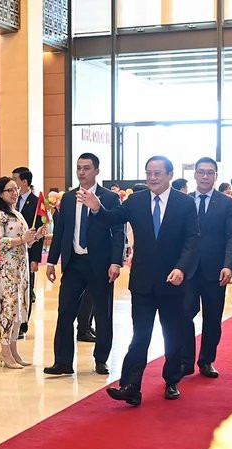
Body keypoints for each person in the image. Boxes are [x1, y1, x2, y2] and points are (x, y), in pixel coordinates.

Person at [80, 155, 199, 405]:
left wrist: (182, 269)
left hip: (173, 281)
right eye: (148, 173)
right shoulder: (136, 200)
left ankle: (172, 380)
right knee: (140, 335)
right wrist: (96, 207)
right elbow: (112, 218)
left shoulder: (185, 203)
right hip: (143, 282)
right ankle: (131, 385)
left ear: (169, 175)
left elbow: (192, 241)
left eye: (157, 173)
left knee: (172, 335)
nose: (152, 178)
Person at [44, 153, 125, 376]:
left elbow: (118, 232)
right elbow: (61, 232)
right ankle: (62, 362)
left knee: (102, 313)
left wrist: (115, 262)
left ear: (96, 171)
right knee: (65, 312)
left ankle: (101, 360)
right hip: (74, 264)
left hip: (100, 264)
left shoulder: (109, 198)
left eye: (87, 168)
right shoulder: (68, 199)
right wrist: (51, 261)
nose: (81, 172)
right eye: (79, 168)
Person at [180, 157, 232, 379]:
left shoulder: (225, 203)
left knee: (212, 318)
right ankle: (186, 361)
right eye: (201, 172)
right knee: (184, 315)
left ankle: (206, 360)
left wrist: (228, 265)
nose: (205, 176)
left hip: (216, 271)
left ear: (216, 176)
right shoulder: (183, 201)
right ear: (194, 174)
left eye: (210, 173)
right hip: (187, 270)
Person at [0, 176, 46, 368]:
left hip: (21, 267)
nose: (15, 193)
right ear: (0, 194)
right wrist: (22, 239)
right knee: (9, 308)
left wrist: (35, 236)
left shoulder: (17, 213)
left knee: (20, 308)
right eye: (10, 190)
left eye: (16, 189)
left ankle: (13, 350)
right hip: (6, 269)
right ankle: (5, 351)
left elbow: (26, 241)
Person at [11, 167, 44, 337]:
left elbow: (40, 230)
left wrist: (35, 259)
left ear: (24, 182)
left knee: (26, 289)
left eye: (15, 179)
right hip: (10, 254)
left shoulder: (36, 202)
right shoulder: (9, 201)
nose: (13, 183)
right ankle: (11, 322)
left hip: (28, 252)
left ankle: (23, 326)